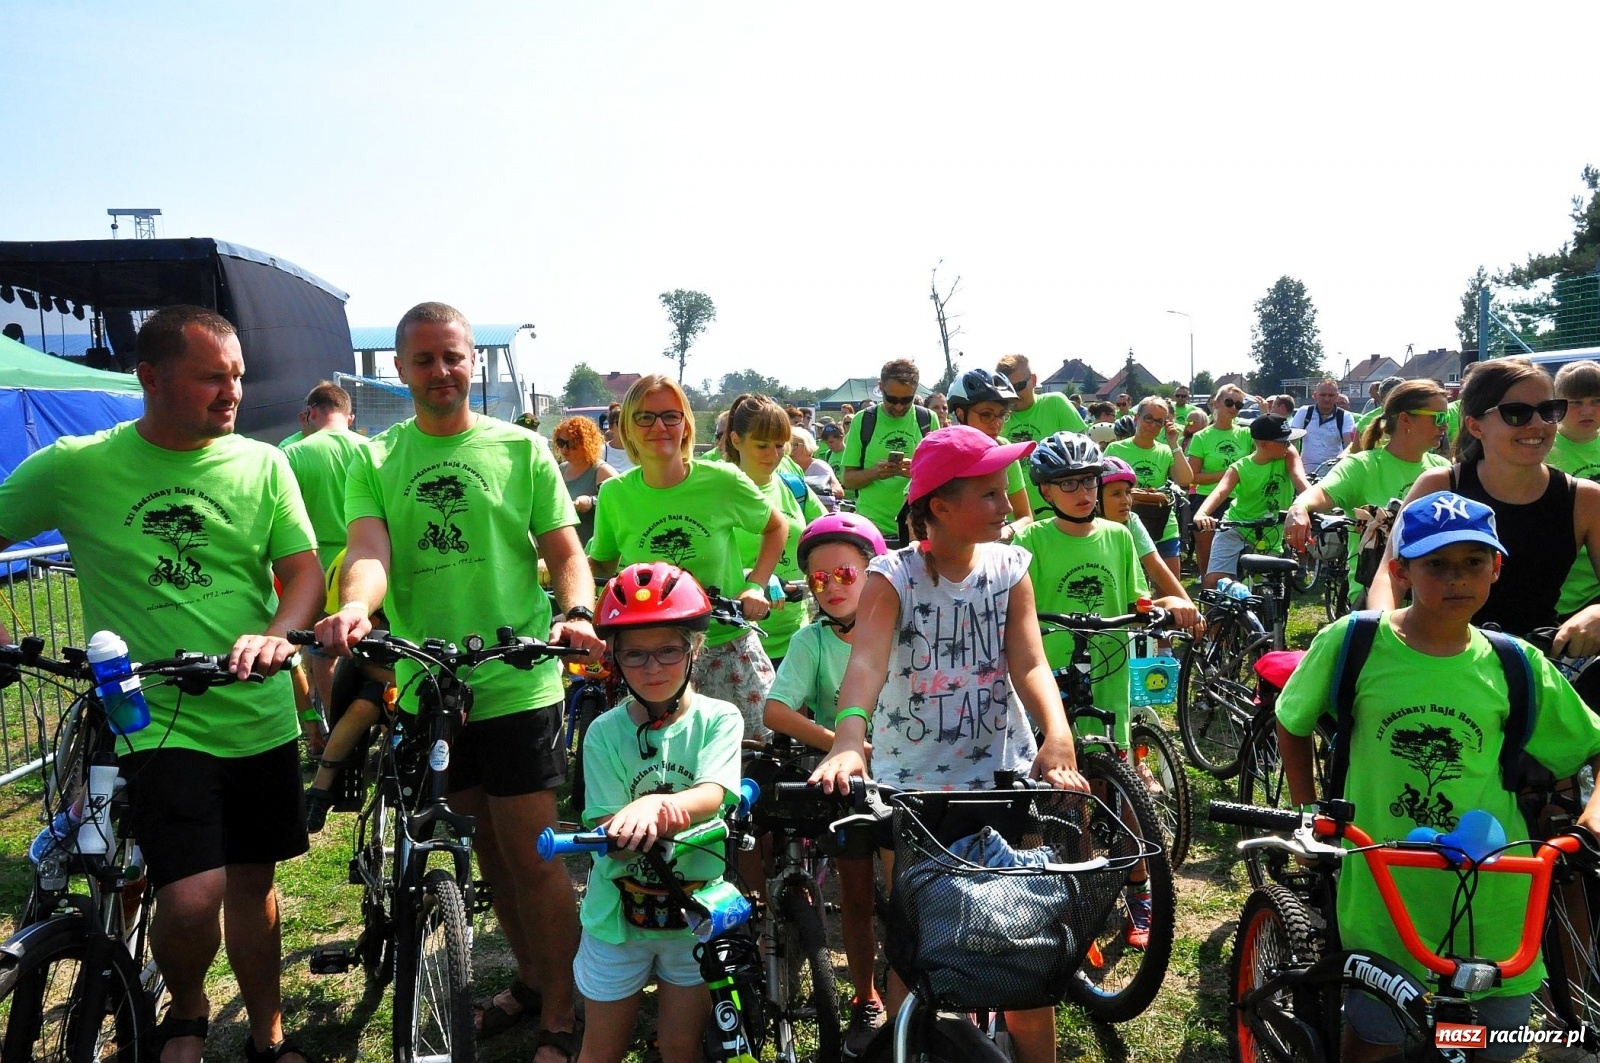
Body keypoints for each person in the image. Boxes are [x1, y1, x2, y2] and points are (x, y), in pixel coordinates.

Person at [0, 305, 324, 1063]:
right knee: (188, 892)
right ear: (150, 376)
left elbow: (302, 571)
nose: (231, 392)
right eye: (213, 376)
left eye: (237, 375)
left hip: (257, 713)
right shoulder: (75, 465)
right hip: (154, 718)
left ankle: (268, 1030)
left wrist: (278, 636)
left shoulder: (262, 463)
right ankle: (186, 1007)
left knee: (253, 881)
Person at [314, 301, 601, 1061]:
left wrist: (575, 610)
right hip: (433, 683)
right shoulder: (376, 460)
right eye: (425, 360)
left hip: (516, 679)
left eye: (454, 356)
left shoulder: (520, 449)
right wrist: (352, 603)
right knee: (489, 851)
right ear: (401, 370)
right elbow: (370, 550)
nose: (441, 371)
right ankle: (536, 981)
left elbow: (564, 549)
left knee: (533, 853)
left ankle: (565, 1017)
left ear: (473, 361)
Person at [1276, 491, 1600, 1062]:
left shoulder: (1515, 663)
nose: (1457, 579)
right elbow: (1292, 723)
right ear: (1400, 570)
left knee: (1492, 1040)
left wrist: (1592, 823)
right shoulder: (1354, 643)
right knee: (1375, 1034)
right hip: (1381, 882)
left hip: (1493, 890)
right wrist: (1311, 815)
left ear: (1496, 569)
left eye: (1473, 563)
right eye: (1436, 565)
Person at [807, 425, 1088, 1063]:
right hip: (916, 785)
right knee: (918, 940)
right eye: (989, 494)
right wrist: (850, 735)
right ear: (939, 506)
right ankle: (912, 1046)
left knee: (1024, 935)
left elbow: (1030, 662)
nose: (1007, 504)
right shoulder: (893, 576)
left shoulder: (1011, 568)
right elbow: (866, 667)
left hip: (1003, 770)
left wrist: (1058, 734)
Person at [575, 562, 744, 1063]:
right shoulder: (604, 732)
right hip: (616, 920)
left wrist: (657, 804)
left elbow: (714, 791)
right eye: (635, 655)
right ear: (616, 659)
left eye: (668, 650)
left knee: (679, 1047)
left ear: (694, 649)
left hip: (694, 915)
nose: (652, 668)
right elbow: (605, 823)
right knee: (599, 1050)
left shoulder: (720, 718)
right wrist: (630, 818)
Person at [588, 374, 787, 737]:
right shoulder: (615, 494)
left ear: (686, 424)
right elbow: (601, 562)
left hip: (726, 646)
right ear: (628, 428)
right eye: (644, 417)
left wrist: (755, 585)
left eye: (670, 416)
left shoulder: (723, 480)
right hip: (653, 657)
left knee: (756, 754)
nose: (658, 426)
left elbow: (776, 527)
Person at [1367, 357, 1600, 655]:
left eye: (1549, 410)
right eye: (1517, 413)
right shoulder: (1440, 485)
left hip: (1535, 664)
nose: (1538, 424)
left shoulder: (1584, 498)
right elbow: (1390, 574)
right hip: (1438, 656)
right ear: (1475, 426)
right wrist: (1384, 632)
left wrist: (1596, 613)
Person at [761, 513, 889, 1054]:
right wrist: (840, 741)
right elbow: (774, 709)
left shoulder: (905, 630)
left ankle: (913, 984)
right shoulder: (813, 640)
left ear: (873, 574)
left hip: (907, 777)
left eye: (844, 573)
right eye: (818, 580)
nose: (831, 587)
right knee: (856, 897)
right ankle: (866, 995)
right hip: (849, 783)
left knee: (905, 893)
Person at [1285, 380, 1451, 607]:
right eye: (1439, 417)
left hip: (1435, 599)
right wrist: (1298, 508)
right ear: (1405, 419)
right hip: (1373, 600)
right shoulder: (1362, 466)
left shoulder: (1442, 467)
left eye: (1447, 418)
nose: (1445, 426)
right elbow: (1321, 493)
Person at [283, 380, 367, 724]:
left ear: (312, 413)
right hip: (365, 564)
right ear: (349, 416)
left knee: (322, 653)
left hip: (315, 568)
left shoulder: (291, 454)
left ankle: (335, 728)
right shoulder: (371, 449)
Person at [722, 394, 826, 666]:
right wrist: (754, 579)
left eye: (780, 445)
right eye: (762, 445)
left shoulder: (795, 488)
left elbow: (829, 534)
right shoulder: (718, 492)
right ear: (735, 440)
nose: (773, 455)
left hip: (797, 635)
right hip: (738, 640)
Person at [1192, 414, 1310, 589]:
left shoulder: (1288, 454)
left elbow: (1300, 480)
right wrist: (1202, 514)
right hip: (1237, 527)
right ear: (1264, 444)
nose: (1288, 444)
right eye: (1283, 441)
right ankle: (1211, 617)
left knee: (1272, 587)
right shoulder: (1239, 467)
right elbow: (1220, 492)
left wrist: (1311, 504)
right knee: (1214, 581)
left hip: (1271, 532)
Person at [1096, 456, 1202, 621]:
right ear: (1095, 498)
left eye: (1128, 492)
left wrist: (1190, 608)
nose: (1126, 500)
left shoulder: (1131, 521)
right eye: (1116, 494)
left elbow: (1156, 566)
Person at [840, 358, 932, 545]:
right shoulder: (863, 420)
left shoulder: (927, 419)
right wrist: (875, 472)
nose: (899, 406)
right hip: (872, 530)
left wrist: (916, 471)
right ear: (880, 388)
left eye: (907, 400)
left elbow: (938, 475)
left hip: (916, 530)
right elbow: (847, 480)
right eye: (892, 399)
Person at [1105, 395, 1195, 581]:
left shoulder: (1165, 450)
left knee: (1169, 589)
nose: (1153, 425)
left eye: (1159, 422)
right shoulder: (1115, 449)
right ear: (1137, 418)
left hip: (1162, 527)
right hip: (1125, 526)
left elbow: (1186, 479)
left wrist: (1174, 444)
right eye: (1148, 418)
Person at [994, 354, 1089, 520]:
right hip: (1013, 521)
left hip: (1061, 516)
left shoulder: (1056, 403)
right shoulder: (996, 418)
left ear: (1034, 380)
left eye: (1019, 386)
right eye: (1007, 389)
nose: (1014, 394)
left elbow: (1085, 456)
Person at [945, 369, 1031, 529]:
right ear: (960, 414)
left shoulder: (1004, 448)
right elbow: (913, 516)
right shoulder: (942, 451)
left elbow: (1025, 516)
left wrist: (1004, 533)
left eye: (1002, 415)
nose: (997, 423)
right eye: (986, 414)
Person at [1186, 383, 1254, 577]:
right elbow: (1193, 477)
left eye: (1238, 405)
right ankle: (1209, 589)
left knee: (1239, 550)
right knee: (1207, 549)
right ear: (1216, 403)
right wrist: (1229, 474)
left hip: (1239, 500)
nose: (1233, 408)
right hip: (1207, 499)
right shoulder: (1201, 437)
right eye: (1229, 402)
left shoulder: (1246, 433)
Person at [1551, 362, 1600, 619]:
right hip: (1557, 584)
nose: (1587, 410)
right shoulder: (1541, 445)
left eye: (1596, 401)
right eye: (1576, 402)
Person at [554, 414, 618, 548]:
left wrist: (591, 502)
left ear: (586, 444)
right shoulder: (560, 469)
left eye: (571, 444)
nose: (565, 449)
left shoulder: (601, 471)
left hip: (594, 550)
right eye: (561, 442)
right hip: (566, 547)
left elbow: (620, 504)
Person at [1290, 378, 1356, 472]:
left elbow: (1349, 444)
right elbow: (1291, 442)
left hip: (1334, 471)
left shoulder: (1345, 416)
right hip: (1306, 471)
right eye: (1323, 395)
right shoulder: (1304, 412)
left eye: (1331, 395)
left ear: (1337, 396)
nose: (1327, 399)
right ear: (1315, 395)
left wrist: (1344, 454)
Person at [1350, 375, 1407, 452]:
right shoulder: (1367, 420)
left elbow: (1355, 452)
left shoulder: (1367, 419)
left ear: (1379, 396)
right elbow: (1356, 453)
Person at [791, 426, 843, 507]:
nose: (790, 449)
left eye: (795, 445)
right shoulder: (789, 468)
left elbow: (839, 492)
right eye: (787, 445)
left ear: (807, 445)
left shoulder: (818, 466)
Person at [602, 401, 634, 473]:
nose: (625, 426)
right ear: (610, 427)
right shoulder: (602, 452)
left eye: (627, 421)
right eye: (619, 422)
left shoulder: (640, 450)